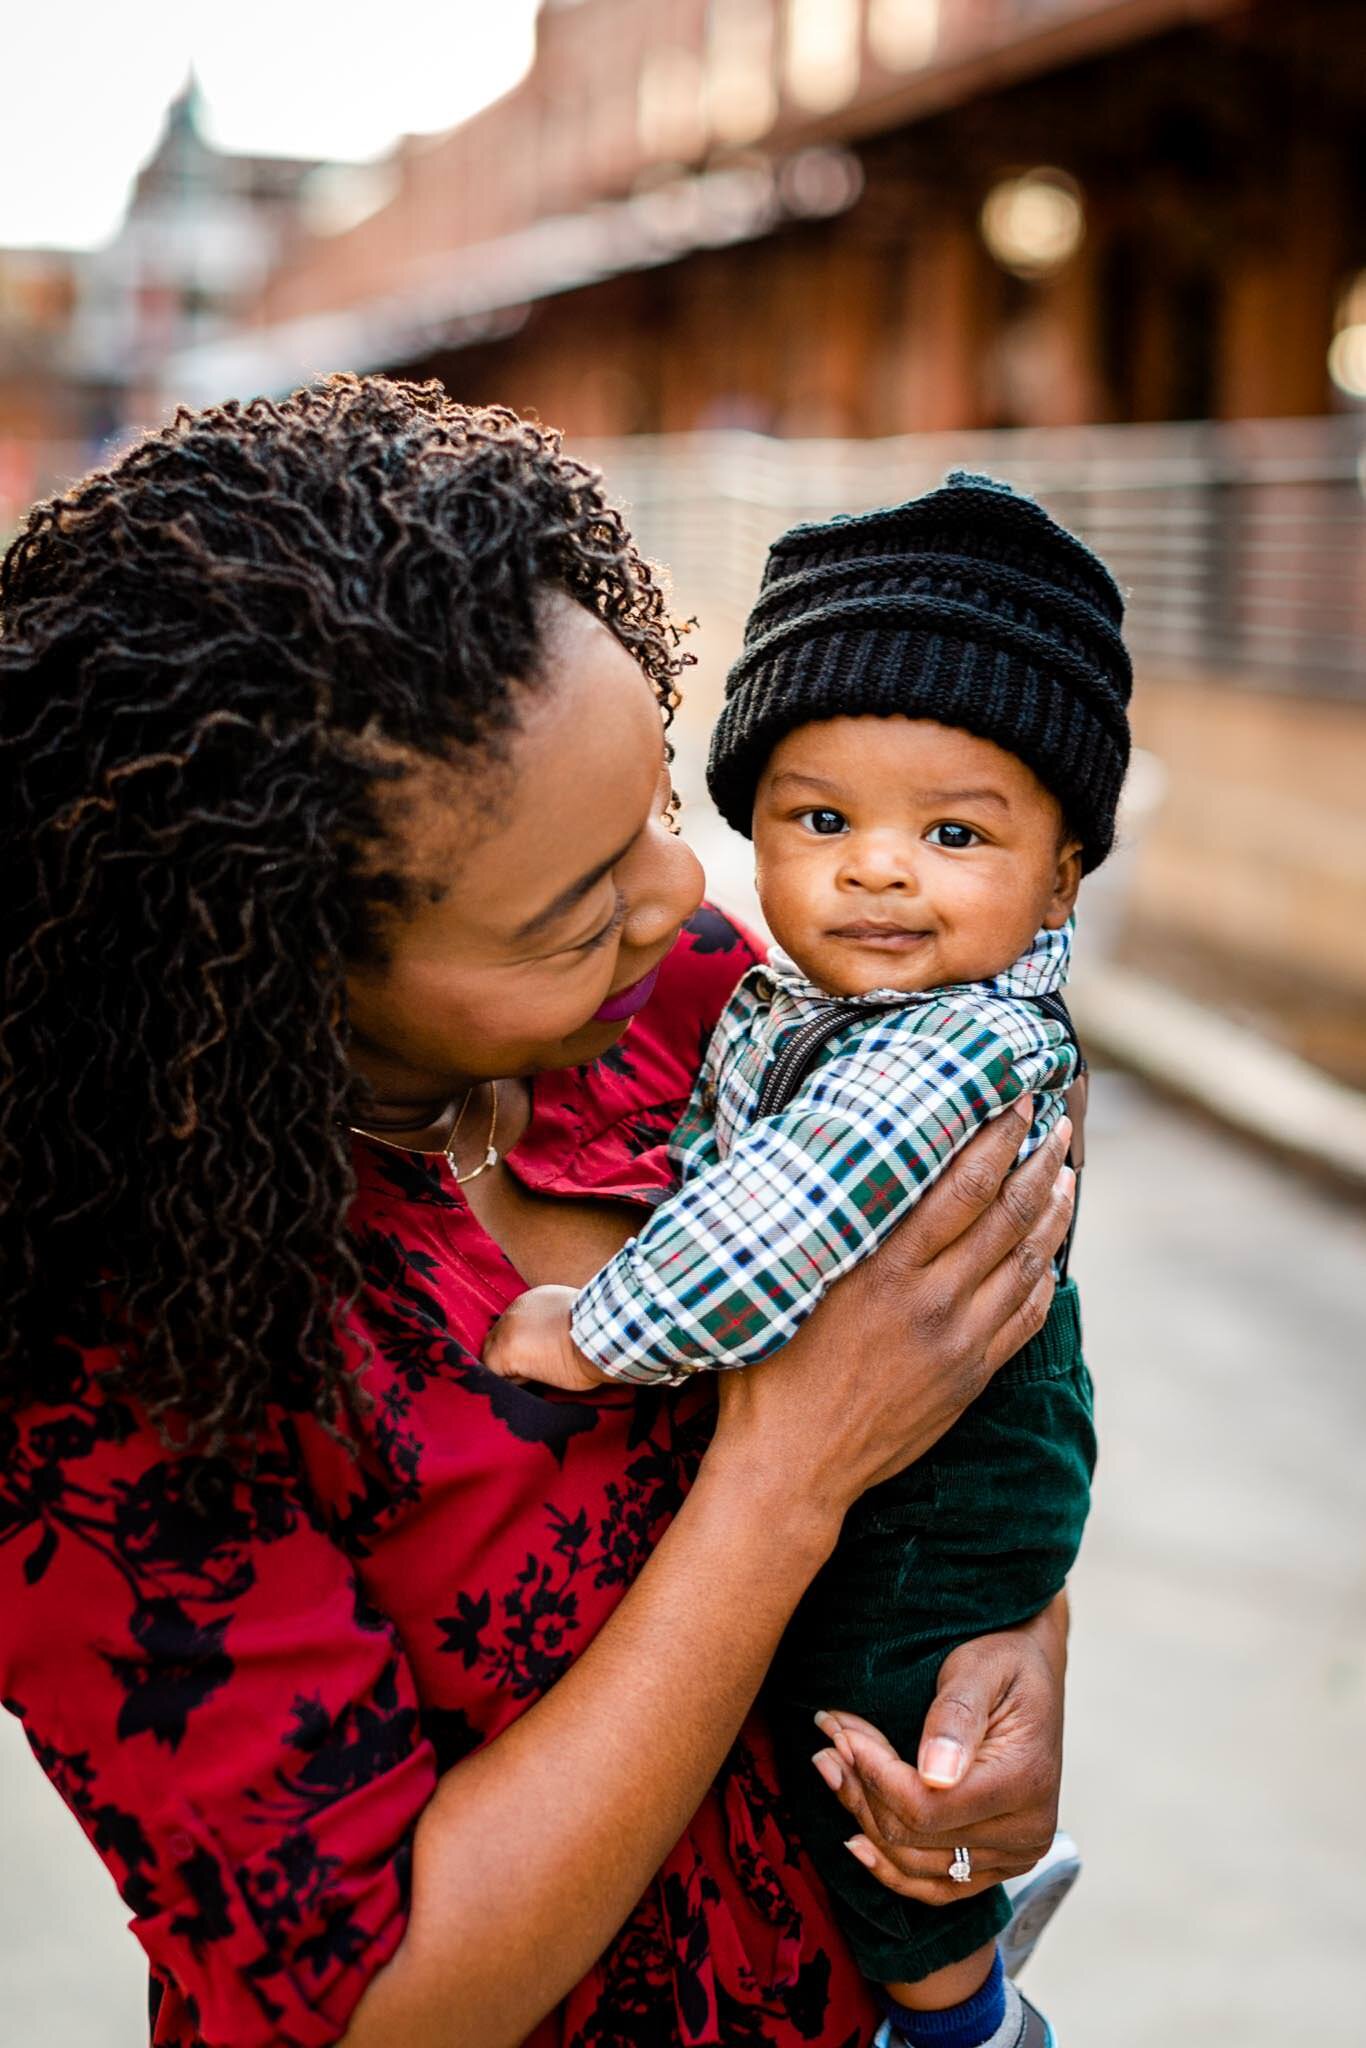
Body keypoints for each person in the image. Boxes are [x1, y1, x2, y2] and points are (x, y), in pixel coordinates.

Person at [0, 377, 1077, 2048]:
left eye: (657, 804)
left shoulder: (695, 1005)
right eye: (575, 913)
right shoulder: (108, 1358)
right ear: (275, 984)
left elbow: (977, 1337)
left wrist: (1010, 1648)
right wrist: (784, 1477)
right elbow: (373, 2007)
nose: (678, 899)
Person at [486, 475, 1131, 2048]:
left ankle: (959, 2010)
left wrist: (599, 1331)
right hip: (911, 1453)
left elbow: (788, 1216)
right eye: (818, 820)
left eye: (954, 833)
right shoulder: (789, 1000)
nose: (877, 870)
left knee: (872, 1726)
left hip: (948, 1486)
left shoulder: (946, 1042)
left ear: (1059, 876)